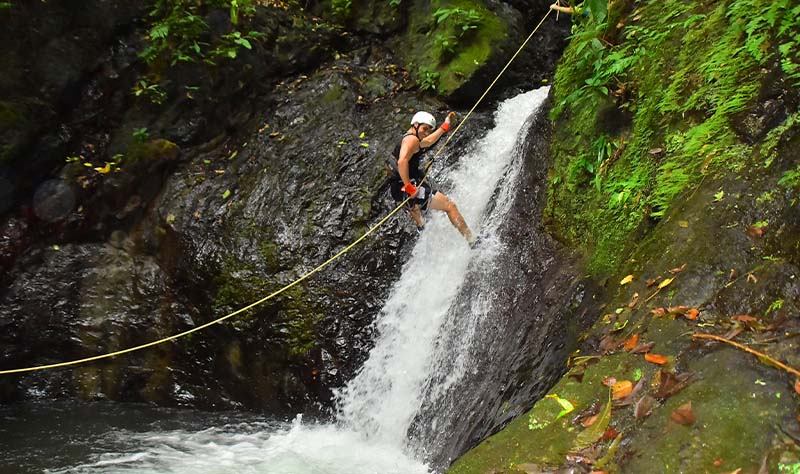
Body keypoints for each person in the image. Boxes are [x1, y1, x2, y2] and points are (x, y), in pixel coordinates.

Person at [386, 110, 476, 246]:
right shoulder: (411, 140)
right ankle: (473, 241)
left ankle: (421, 225)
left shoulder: (411, 137)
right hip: (407, 185)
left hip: (399, 186)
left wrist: (444, 127)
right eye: (425, 128)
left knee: (416, 206)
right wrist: (409, 187)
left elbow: (428, 142)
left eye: (429, 130)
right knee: (450, 206)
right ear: (415, 124)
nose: (426, 132)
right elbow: (402, 162)